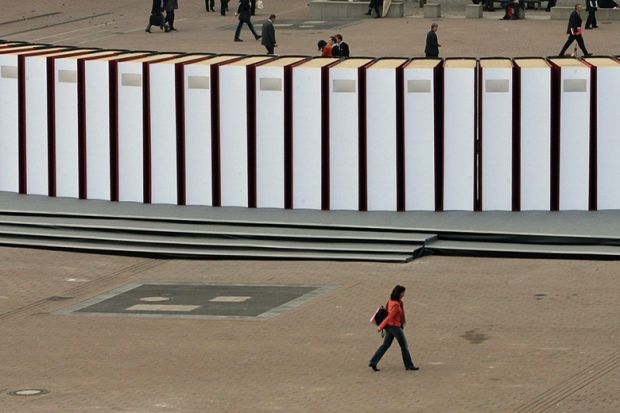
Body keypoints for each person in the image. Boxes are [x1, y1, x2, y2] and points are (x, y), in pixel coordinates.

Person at [369, 285, 419, 372]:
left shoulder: (391, 301)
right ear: (399, 293)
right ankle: (409, 365)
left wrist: (402, 321)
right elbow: (389, 316)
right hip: (395, 327)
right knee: (404, 345)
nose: (404, 294)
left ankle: (373, 362)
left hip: (390, 327)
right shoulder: (396, 305)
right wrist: (380, 327)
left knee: (385, 345)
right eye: (403, 292)